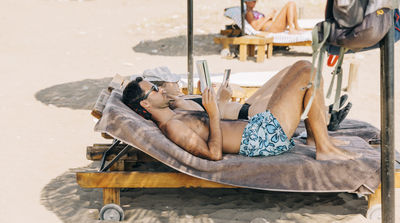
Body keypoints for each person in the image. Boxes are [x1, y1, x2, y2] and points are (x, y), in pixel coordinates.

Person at [123, 60, 358, 161]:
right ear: (145, 104)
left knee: (300, 68)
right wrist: (214, 114)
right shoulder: (172, 127)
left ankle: (315, 139)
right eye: (154, 89)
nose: (160, 90)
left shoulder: (175, 114)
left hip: (258, 128)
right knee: (307, 71)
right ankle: (324, 147)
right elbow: (213, 154)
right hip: (261, 139)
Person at [141, 65, 352, 134]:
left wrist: (216, 95)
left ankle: (323, 112)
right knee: (301, 77)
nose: (177, 84)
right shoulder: (177, 104)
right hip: (247, 115)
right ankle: (324, 118)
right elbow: (212, 118)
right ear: (162, 88)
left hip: (244, 106)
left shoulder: (180, 98)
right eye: (172, 83)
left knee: (290, 70)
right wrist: (220, 100)